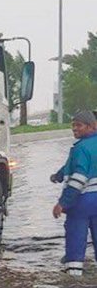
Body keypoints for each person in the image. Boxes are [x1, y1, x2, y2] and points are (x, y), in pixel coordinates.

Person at [50, 110, 97, 276]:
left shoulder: (81, 148)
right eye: (73, 125)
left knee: (75, 242)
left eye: (79, 125)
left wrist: (63, 203)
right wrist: (59, 175)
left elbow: (79, 177)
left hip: (82, 203)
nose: (74, 129)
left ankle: (74, 283)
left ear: (92, 126)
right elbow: (71, 166)